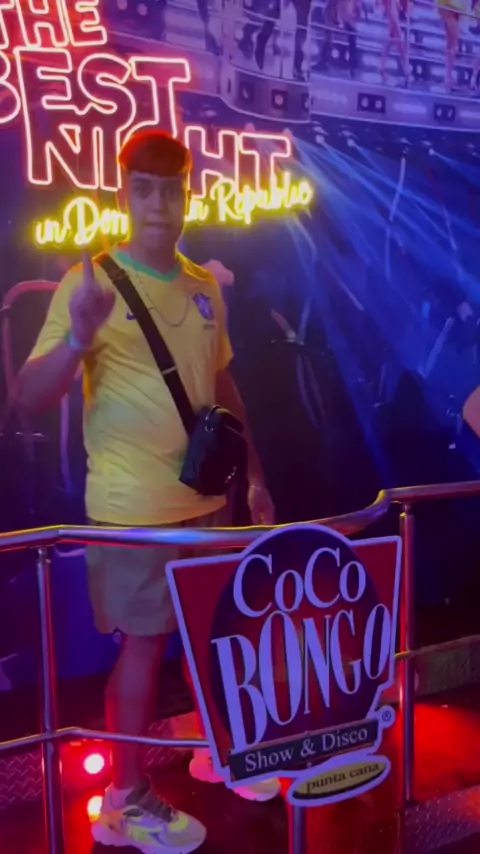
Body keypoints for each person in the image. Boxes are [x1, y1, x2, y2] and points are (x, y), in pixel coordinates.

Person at [13, 130, 278, 853]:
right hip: (134, 515)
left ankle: (218, 750)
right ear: (124, 195)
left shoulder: (201, 287)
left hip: (209, 503)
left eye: (172, 188)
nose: (159, 203)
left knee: (214, 637)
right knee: (143, 647)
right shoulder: (92, 284)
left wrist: (255, 477)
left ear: (188, 195)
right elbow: (28, 396)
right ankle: (123, 802)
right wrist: (76, 338)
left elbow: (223, 388)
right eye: (144, 188)